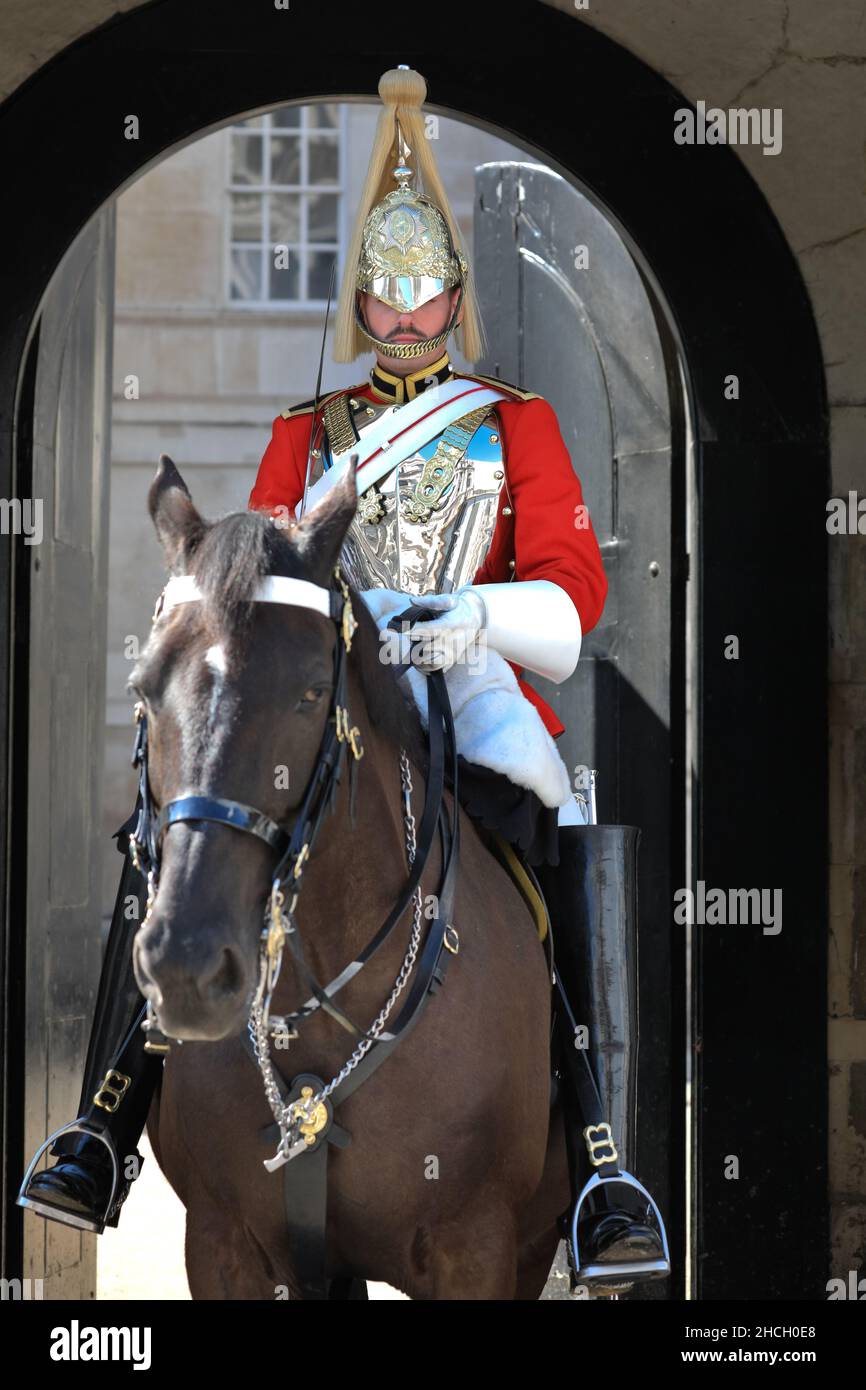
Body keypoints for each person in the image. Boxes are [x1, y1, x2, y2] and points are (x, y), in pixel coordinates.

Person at [19, 65, 666, 1288]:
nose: (409, 316)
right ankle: (107, 1114)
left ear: (455, 300)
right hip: (324, 685)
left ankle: (595, 1152)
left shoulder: (510, 421)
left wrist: (465, 612)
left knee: (550, 812)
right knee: (173, 822)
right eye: (388, 294)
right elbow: (256, 581)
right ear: (362, 298)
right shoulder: (304, 427)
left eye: (428, 298)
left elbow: (572, 602)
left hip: (464, 678)